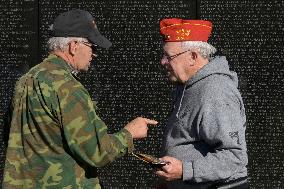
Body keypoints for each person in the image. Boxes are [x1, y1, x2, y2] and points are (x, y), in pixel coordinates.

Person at [2, 9, 157, 189]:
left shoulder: (25, 80)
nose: (94, 54)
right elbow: (96, 152)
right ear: (74, 46)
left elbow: (10, 135)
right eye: (93, 46)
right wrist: (129, 133)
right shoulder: (67, 87)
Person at [155, 18, 249, 189]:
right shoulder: (186, 85)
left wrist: (184, 170)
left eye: (169, 56)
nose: (163, 62)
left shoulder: (216, 91)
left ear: (193, 56)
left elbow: (234, 156)